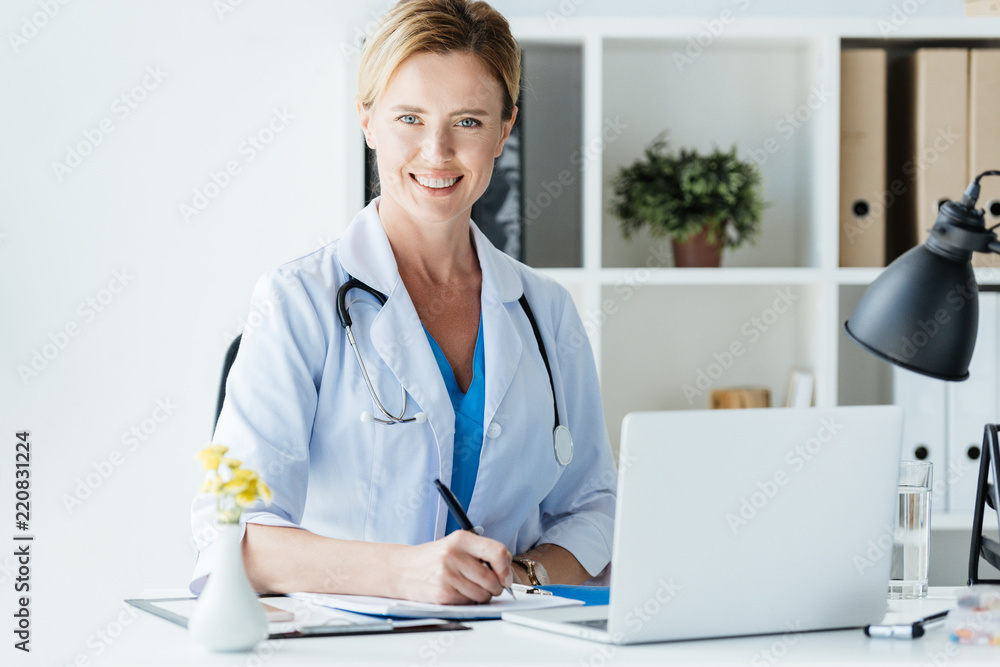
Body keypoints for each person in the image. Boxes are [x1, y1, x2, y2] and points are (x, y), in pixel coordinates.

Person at [190, 0, 616, 605]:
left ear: (505, 129)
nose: (436, 152)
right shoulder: (296, 302)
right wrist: (405, 574)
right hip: (348, 644)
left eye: (468, 122)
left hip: (513, 643)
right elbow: (232, 535)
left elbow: (592, 507)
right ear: (366, 121)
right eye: (409, 118)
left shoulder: (546, 311)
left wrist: (520, 578)